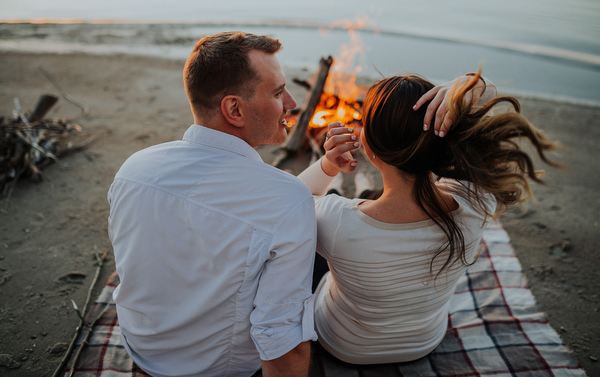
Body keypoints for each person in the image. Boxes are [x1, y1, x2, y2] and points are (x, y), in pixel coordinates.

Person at [298, 72, 560, 364]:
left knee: (305, 252)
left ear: (367, 147)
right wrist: (467, 87)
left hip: (346, 347)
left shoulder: (336, 220)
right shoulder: (476, 202)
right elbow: (482, 105)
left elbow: (291, 203)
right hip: (423, 343)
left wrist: (327, 165)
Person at [107, 31, 317, 377]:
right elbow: (282, 341)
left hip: (142, 354)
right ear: (234, 109)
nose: (292, 102)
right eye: (278, 92)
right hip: (219, 369)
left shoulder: (134, 169)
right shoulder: (286, 198)